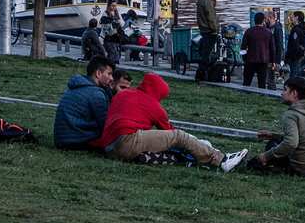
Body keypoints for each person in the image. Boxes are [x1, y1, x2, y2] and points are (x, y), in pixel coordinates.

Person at [96, 72, 249, 171]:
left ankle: (201, 154)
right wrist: (195, 142)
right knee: (179, 136)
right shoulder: (153, 105)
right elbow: (170, 133)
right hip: (126, 142)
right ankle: (220, 160)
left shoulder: (124, 94)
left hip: (108, 147)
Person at [247, 75, 305, 177]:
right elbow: (304, 138)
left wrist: (265, 156)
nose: (282, 93)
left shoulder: (291, 115)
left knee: (272, 146)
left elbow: (291, 143)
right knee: (276, 141)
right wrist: (274, 135)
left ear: (294, 93)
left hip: (304, 169)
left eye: (285, 90)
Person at [54, 56, 116, 151]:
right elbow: (106, 125)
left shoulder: (78, 86)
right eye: (109, 74)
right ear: (98, 73)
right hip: (77, 141)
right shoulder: (96, 93)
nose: (112, 78)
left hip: (62, 139)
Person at [240, 12, 275, 90]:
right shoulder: (268, 32)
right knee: (262, 83)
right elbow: (272, 48)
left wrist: (244, 58)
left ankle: (244, 95)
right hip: (263, 61)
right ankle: (262, 97)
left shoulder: (248, 31)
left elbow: (242, 48)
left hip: (250, 60)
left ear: (254, 20)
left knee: (246, 82)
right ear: (263, 21)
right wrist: (273, 61)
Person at [194, 0, 221, 83]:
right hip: (210, 31)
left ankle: (202, 74)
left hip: (203, 30)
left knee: (205, 53)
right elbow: (211, 18)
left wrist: (214, 0)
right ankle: (200, 76)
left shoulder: (201, 0)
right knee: (206, 55)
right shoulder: (207, 2)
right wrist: (215, 29)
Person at [284, 12, 305, 79]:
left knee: (294, 76)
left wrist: (288, 57)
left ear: (297, 17)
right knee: (298, 76)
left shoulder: (296, 30)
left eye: (293, 16)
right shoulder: (303, 28)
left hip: (295, 58)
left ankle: (293, 89)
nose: (291, 18)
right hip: (301, 56)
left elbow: (294, 45)